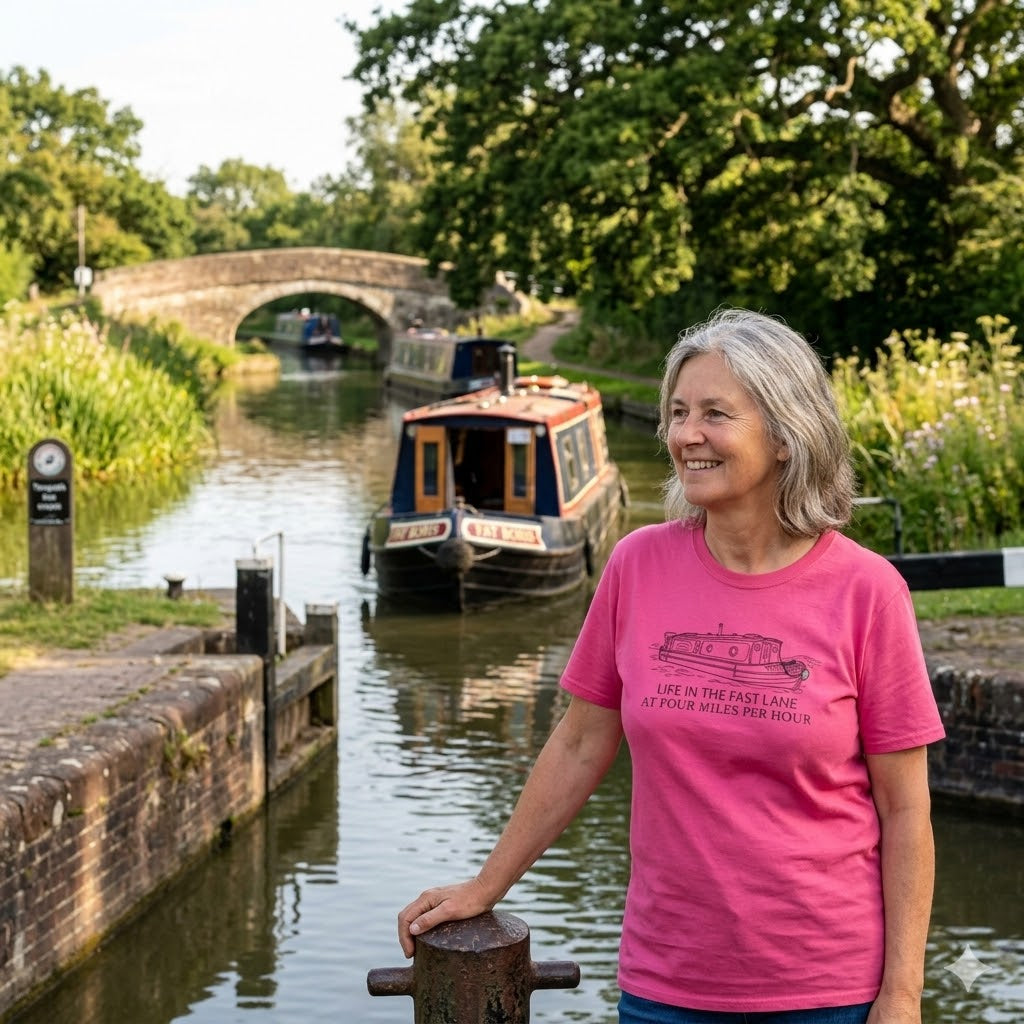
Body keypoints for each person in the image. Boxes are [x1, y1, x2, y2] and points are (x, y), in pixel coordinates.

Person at [397, 308, 946, 1024]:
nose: (687, 435)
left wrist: (901, 993)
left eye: (716, 413)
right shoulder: (638, 565)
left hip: (828, 990)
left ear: (786, 433)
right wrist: (486, 885)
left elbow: (905, 810)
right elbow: (580, 740)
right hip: (667, 986)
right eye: (678, 412)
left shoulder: (867, 593)